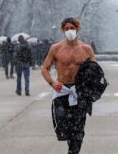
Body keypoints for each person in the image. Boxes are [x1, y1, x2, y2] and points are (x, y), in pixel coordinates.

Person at [41, 17, 96, 154]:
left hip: (79, 92)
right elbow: (44, 68)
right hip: (62, 92)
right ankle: (72, 146)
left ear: (78, 29)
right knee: (64, 129)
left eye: (72, 28)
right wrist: (52, 82)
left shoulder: (86, 49)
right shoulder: (56, 48)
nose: (69, 31)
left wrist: (89, 84)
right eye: (67, 29)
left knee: (78, 130)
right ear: (62, 30)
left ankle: (73, 151)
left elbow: (95, 70)